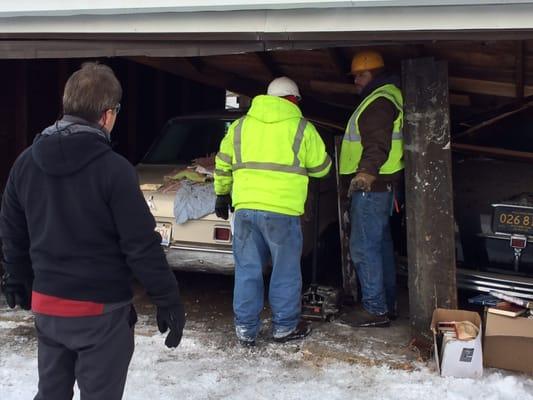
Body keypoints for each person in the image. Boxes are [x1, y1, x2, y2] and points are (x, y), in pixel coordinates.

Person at [0, 62, 185, 400]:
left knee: (51, 393)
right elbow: (140, 244)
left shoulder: (25, 163)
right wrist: (167, 298)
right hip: (100, 312)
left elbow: (12, 227)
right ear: (106, 115)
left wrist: (16, 274)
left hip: (48, 305)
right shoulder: (115, 171)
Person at [214, 77, 332, 346]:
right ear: (293, 99)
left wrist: (222, 193)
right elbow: (322, 168)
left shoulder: (241, 126)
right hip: (283, 211)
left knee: (247, 270)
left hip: (245, 209)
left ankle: (245, 329)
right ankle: (284, 327)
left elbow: (222, 163)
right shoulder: (302, 128)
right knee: (286, 270)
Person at [338, 50, 404, 327]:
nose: (356, 81)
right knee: (380, 246)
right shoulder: (384, 97)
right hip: (384, 187)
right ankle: (386, 304)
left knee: (364, 248)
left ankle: (375, 309)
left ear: (376, 74)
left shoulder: (378, 102)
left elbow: (377, 142)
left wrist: (365, 174)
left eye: (361, 75)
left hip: (372, 188)